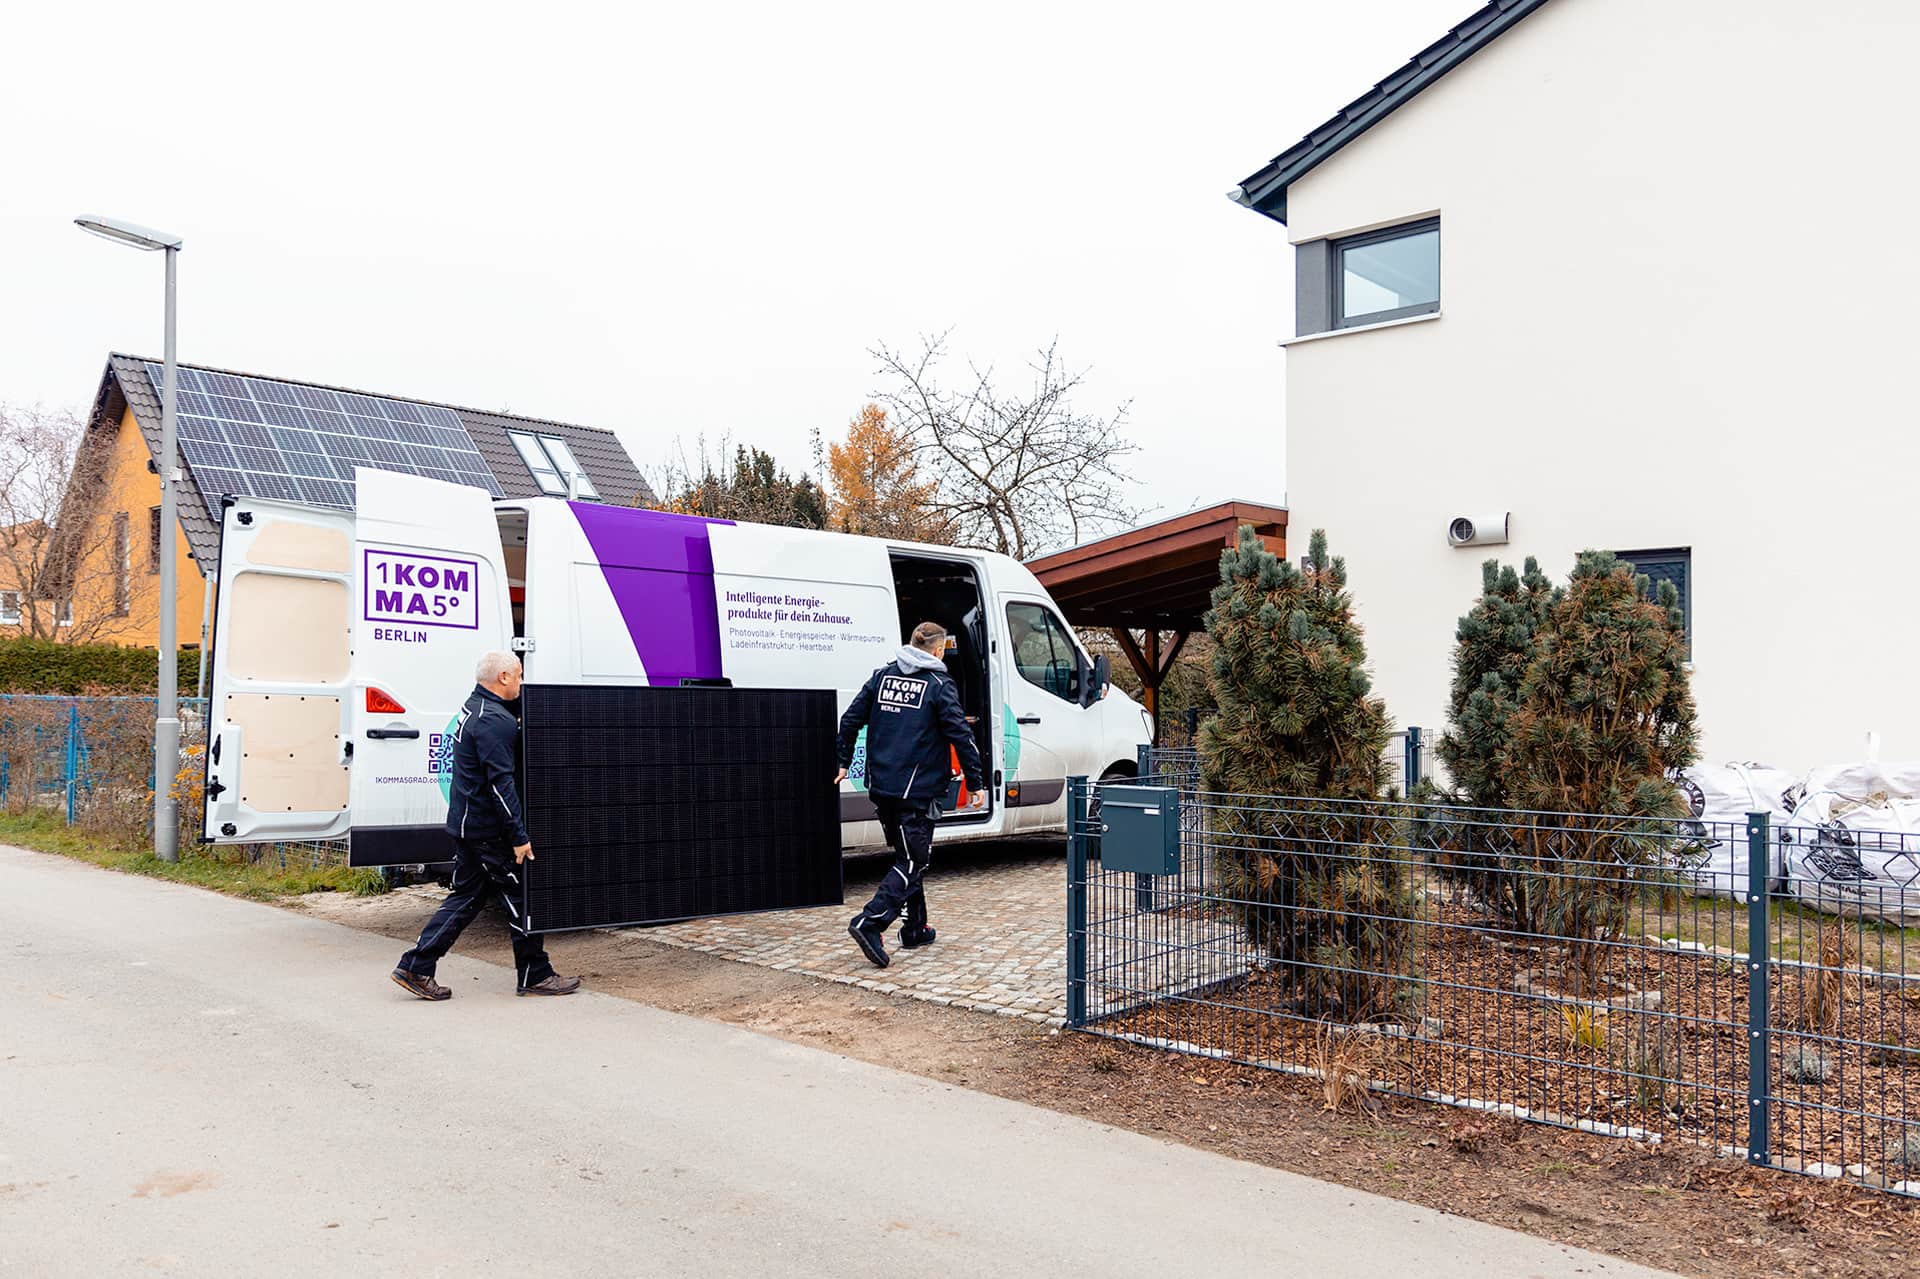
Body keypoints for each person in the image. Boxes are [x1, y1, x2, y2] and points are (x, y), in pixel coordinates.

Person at [391, 651, 581, 1000]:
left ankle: (416, 966)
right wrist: (519, 836)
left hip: (468, 825)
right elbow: (500, 784)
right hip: (487, 831)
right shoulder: (494, 721)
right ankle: (535, 974)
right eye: (520, 676)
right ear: (505, 677)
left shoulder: (476, 707)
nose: (522, 683)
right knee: (521, 897)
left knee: (467, 896)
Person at [836, 621, 987, 968]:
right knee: (914, 859)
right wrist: (976, 783)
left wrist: (843, 761)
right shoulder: (938, 684)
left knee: (907, 853)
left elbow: (850, 720)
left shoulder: (883, 676)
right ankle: (870, 922)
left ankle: (915, 928)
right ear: (938, 650)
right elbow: (961, 737)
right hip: (916, 790)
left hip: (883, 787)